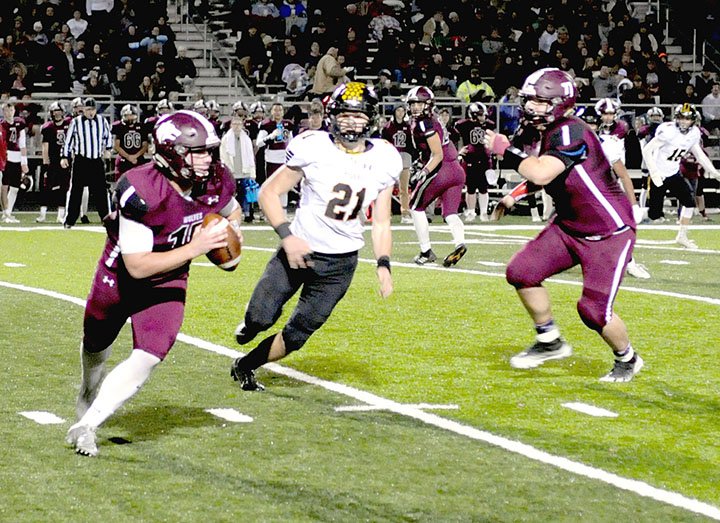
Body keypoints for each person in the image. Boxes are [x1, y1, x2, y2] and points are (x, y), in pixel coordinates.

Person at [66, 110, 243, 457]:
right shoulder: (142, 189)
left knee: (149, 354)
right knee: (96, 344)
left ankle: (88, 423)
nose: (209, 159)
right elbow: (138, 266)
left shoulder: (214, 181)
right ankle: (88, 391)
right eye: (200, 151)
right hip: (119, 277)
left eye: (210, 150)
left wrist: (228, 233)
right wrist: (198, 246)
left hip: (169, 280)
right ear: (173, 152)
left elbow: (231, 209)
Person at [230, 82, 400, 391]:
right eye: (345, 115)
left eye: (358, 116)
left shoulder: (385, 159)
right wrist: (287, 236)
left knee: (297, 335)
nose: (351, 122)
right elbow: (269, 192)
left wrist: (383, 263)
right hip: (299, 249)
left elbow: (382, 221)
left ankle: (246, 365)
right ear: (333, 116)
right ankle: (251, 324)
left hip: (339, 265)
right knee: (260, 317)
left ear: (371, 119)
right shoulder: (314, 146)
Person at [484, 67, 643, 382]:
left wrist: (506, 150)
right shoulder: (546, 130)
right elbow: (550, 175)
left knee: (593, 311)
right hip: (569, 226)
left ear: (559, 102)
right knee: (522, 272)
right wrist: (514, 195)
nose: (532, 107)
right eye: (530, 101)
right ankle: (549, 340)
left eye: (540, 102)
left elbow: (542, 171)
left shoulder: (571, 129)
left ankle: (627, 358)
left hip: (608, 234)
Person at [642, 103, 720, 248]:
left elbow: (700, 155)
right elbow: (647, 150)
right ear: (676, 118)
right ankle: (628, 219)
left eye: (687, 118)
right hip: (659, 173)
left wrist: (714, 172)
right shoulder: (668, 131)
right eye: (681, 118)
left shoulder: (694, 133)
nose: (684, 121)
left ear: (693, 120)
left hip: (673, 173)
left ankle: (682, 236)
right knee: (654, 214)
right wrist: (654, 173)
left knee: (689, 202)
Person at [405, 86, 467, 267]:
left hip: (442, 169)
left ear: (428, 104)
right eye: (413, 104)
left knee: (415, 206)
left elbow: (437, 154)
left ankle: (426, 251)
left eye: (419, 103)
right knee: (450, 213)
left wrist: (423, 172)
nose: (415, 107)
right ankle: (460, 242)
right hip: (456, 169)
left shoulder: (425, 123)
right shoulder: (433, 120)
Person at [589, 100, 650, 279]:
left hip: (604, 185)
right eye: (604, 114)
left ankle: (628, 262)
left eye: (610, 114)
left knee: (618, 224)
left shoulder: (613, 138)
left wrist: (634, 205)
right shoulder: (585, 138)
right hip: (584, 186)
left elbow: (622, 174)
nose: (607, 118)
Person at [61, 97, 113, 228]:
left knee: (101, 191)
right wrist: (65, 157)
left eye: (93, 109)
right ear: (83, 109)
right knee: (75, 191)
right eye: (88, 109)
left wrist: (108, 149)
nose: (91, 112)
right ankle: (70, 220)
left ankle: (106, 218)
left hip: (96, 160)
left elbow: (108, 137)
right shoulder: (76, 122)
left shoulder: (102, 121)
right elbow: (68, 141)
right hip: (81, 160)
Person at [454, 102, 495, 223]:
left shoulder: (489, 125)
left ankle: (483, 212)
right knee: (470, 188)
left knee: (483, 187)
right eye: (480, 115)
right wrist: (459, 151)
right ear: (473, 115)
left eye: (483, 115)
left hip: (484, 159)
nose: (483, 118)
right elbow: (454, 138)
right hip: (470, 159)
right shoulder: (463, 125)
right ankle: (471, 212)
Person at [220, 101, 258, 223]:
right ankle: (231, 214)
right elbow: (223, 155)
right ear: (231, 125)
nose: (236, 126)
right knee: (231, 195)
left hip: (244, 170)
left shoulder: (246, 138)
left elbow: (250, 155)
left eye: (239, 124)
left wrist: (252, 172)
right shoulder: (226, 138)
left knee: (246, 195)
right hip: (232, 170)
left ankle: (247, 214)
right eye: (234, 123)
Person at [37, 101, 71, 223]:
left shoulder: (69, 124)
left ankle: (60, 215)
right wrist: (46, 163)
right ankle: (42, 215)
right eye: (54, 112)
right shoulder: (48, 127)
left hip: (65, 160)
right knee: (46, 188)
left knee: (64, 188)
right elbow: (45, 147)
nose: (57, 114)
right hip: (52, 161)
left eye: (59, 112)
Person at [381, 105, 414, 224]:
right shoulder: (388, 127)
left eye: (402, 111)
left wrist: (411, 156)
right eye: (398, 110)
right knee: (387, 187)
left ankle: (405, 213)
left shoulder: (408, 127)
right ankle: (385, 213)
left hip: (404, 156)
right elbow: (384, 144)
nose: (400, 113)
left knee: (404, 188)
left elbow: (410, 144)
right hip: (392, 157)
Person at [0, 101, 29, 223]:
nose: (9, 113)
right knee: (4, 186)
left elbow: (22, 143)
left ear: (14, 111)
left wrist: (24, 161)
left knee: (15, 187)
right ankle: (5, 212)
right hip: (6, 156)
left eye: (11, 110)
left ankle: (9, 212)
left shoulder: (20, 123)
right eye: (6, 110)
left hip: (17, 156)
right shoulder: (2, 125)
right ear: (3, 112)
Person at [112, 104, 149, 184]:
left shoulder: (141, 127)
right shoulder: (119, 126)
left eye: (131, 115)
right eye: (127, 115)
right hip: (123, 160)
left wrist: (135, 156)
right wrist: (129, 157)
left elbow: (145, 145)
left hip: (138, 159)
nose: (130, 117)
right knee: (121, 184)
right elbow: (116, 146)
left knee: (140, 185)